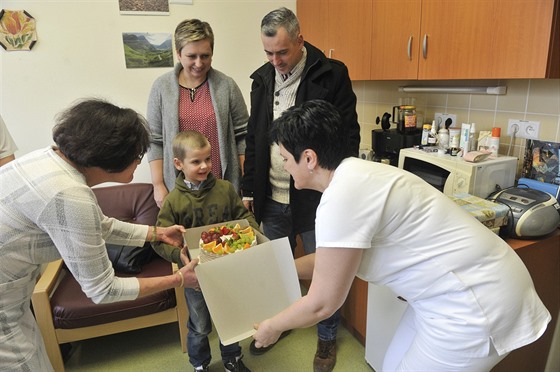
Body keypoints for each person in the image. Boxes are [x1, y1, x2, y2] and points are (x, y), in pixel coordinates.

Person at [253, 99, 551, 372]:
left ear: (308, 158)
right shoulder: (355, 176)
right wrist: (282, 269)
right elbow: (332, 261)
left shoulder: (342, 197)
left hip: (474, 302)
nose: (284, 167)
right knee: (392, 365)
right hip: (451, 292)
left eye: (285, 159)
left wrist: (273, 326)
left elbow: (322, 303)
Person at [0, 99, 200, 371]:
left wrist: (156, 233)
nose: (139, 161)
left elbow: (98, 224)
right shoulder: (68, 194)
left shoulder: (47, 159)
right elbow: (104, 290)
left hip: (14, 295)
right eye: (138, 155)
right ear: (112, 156)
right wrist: (178, 279)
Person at [241, 7, 360, 371]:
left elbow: (347, 136)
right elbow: (255, 135)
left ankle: (326, 341)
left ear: (300, 41)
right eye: (268, 53)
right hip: (271, 195)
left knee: (324, 273)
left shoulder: (331, 74)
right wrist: (248, 187)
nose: (275, 60)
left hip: (314, 197)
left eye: (283, 52)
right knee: (280, 268)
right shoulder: (262, 78)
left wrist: (334, 189)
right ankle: (283, 324)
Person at [152, 130, 259, 372]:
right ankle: (200, 364)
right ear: (178, 164)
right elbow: (159, 240)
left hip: (227, 270)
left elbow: (243, 217)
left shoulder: (225, 189)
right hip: (196, 276)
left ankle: (232, 359)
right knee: (200, 323)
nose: (204, 166)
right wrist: (176, 255)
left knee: (229, 318)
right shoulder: (173, 201)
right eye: (196, 161)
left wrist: (253, 233)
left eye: (208, 159)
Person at [147, 18, 249, 208]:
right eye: (191, 56)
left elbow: (243, 136)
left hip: (222, 187)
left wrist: (247, 186)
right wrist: (158, 184)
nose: (199, 63)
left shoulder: (226, 86)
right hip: (179, 191)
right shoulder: (161, 88)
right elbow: (154, 141)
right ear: (178, 53)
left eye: (205, 56)